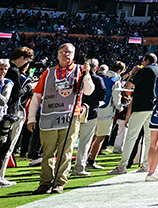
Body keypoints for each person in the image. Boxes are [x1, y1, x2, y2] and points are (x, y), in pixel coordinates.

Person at [25, 43, 94, 194]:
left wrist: (87, 74)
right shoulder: (48, 73)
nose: (66, 55)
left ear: (74, 55)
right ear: (57, 55)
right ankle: (45, 183)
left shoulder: (80, 70)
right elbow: (37, 96)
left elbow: (89, 91)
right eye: (63, 52)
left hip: (70, 116)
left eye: (69, 52)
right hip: (49, 116)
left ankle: (59, 182)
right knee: (47, 152)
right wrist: (31, 118)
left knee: (65, 152)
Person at [111, 53, 158, 175]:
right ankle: (146, 164)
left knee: (131, 136)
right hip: (155, 108)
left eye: (143, 61)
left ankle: (122, 166)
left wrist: (133, 73)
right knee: (149, 138)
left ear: (147, 61)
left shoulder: (145, 70)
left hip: (141, 106)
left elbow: (129, 86)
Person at [0, 47, 34, 188]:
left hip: (7, 112)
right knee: (7, 146)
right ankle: (1, 176)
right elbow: (16, 94)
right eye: (27, 60)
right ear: (21, 58)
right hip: (11, 113)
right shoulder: (13, 72)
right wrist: (29, 87)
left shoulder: (12, 71)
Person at [69, 59, 105, 177]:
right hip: (90, 112)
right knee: (84, 142)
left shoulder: (75, 77)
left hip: (75, 111)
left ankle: (64, 167)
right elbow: (102, 96)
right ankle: (79, 167)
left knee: (69, 141)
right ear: (96, 68)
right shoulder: (98, 79)